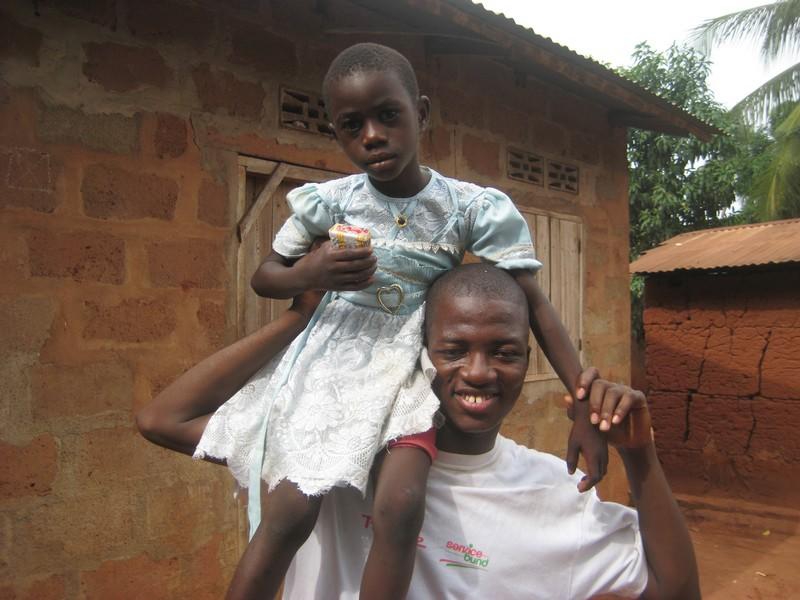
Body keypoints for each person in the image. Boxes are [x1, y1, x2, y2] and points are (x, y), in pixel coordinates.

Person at [192, 43, 606, 599]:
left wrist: (582, 404)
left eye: (388, 115)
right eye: (352, 125)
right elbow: (266, 276)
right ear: (337, 133)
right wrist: (311, 271)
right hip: (331, 364)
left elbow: (536, 305)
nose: (372, 136)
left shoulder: (467, 208)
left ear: (422, 113)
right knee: (288, 512)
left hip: (409, 371)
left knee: (402, 504)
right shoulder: (330, 203)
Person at [137, 263, 700, 599]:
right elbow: (166, 418)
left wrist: (641, 458)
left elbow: (673, 591)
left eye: (504, 352)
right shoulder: (337, 457)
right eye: (454, 350)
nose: (478, 372)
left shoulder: (554, 493)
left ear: (528, 360)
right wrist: (299, 319)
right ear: (419, 351)